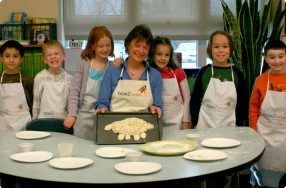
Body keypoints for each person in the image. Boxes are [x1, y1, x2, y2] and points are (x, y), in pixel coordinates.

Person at [63, 26, 122, 140]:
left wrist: (122, 60)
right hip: (83, 116)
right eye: (101, 46)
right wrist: (72, 114)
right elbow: (74, 92)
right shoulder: (83, 64)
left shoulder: (112, 66)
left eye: (108, 45)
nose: (105, 49)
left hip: (103, 115)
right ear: (92, 46)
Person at [95, 24, 162, 117]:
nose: (141, 50)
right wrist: (102, 109)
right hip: (115, 124)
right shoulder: (113, 71)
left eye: (145, 47)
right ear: (128, 45)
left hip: (144, 126)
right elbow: (103, 103)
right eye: (137, 45)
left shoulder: (155, 76)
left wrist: (156, 108)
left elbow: (157, 106)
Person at [190, 30, 247, 129]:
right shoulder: (204, 72)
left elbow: (242, 101)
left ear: (230, 49)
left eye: (225, 46)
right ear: (210, 49)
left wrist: (240, 121)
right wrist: (195, 120)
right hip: (205, 125)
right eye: (216, 47)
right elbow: (195, 99)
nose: (221, 50)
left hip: (230, 126)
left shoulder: (236, 73)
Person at [249, 39, 286, 171]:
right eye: (272, 57)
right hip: (265, 133)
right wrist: (254, 130)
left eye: (281, 56)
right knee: (264, 172)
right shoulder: (260, 80)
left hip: (284, 135)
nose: (277, 61)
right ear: (265, 59)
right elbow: (253, 108)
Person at [149, 36, 191, 133]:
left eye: (166, 55)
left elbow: (187, 98)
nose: (163, 58)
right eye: (159, 54)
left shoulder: (179, 72)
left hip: (178, 122)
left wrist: (186, 120)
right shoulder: (148, 72)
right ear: (152, 54)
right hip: (155, 122)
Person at [32, 40, 73, 119]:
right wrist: (34, 122)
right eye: (49, 55)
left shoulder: (70, 80)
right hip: (43, 122)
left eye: (56, 53)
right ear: (45, 60)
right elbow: (36, 103)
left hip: (63, 122)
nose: (53, 57)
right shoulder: (40, 78)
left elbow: (72, 105)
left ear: (64, 56)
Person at [0, 40, 34, 131]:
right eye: (7, 56)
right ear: (1, 58)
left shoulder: (28, 80)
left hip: (24, 126)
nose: (11, 60)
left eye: (15, 56)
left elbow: (33, 105)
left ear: (21, 58)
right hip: (3, 127)